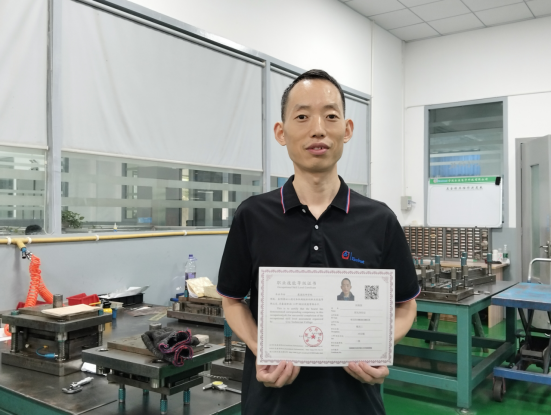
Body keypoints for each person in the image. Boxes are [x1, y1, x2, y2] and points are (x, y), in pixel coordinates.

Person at [217, 69, 419, 415]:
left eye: (330, 116)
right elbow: (232, 301)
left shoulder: (380, 220)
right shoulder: (252, 216)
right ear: (281, 132)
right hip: (271, 404)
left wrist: (378, 347)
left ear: (347, 129)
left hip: (357, 404)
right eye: (302, 116)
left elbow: (405, 305)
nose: (318, 129)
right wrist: (262, 348)